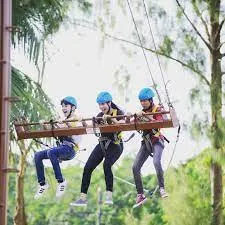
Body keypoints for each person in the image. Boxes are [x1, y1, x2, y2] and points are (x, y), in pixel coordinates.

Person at [70, 91, 124, 206]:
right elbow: (91, 130)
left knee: (106, 165)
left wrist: (111, 119)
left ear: (109, 103)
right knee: (87, 168)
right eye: (100, 104)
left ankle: (109, 196)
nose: (101, 107)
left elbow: (122, 125)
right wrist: (84, 122)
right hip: (102, 144)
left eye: (103, 104)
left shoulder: (118, 112)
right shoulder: (99, 116)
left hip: (116, 144)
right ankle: (82, 198)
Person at [34, 96, 82, 199]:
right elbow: (53, 130)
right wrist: (44, 125)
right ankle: (42, 183)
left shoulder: (77, 119)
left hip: (70, 149)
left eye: (66, 106)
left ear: (73, 108)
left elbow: (73, 129)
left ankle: (61, 181)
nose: (63, 108)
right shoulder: (62, 120)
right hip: (61, 148)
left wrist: (64, 123)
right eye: (62, 106)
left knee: (51, 152)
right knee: (37, 155)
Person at [132, 88, 168, 208]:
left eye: (145, 101)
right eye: (141, 101)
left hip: (157, 140)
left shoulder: (157, 110)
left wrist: (146, 117)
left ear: (151, 100)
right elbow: (132, 123)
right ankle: (140, 194)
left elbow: (159, 122)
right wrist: (133, 117)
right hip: (146, 142)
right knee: (135, 166)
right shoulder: (141, 112)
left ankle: (162, 188)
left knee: (156, 162)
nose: (143, 103)